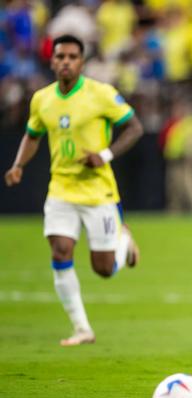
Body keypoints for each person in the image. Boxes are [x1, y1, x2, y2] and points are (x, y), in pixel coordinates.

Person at [4, 34, 144, 346]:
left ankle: (124, 243)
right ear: (52, 61)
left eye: (71, 57)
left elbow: (135, 127)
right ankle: (82, 329)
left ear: (81, 62)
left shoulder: (101, 94)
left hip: (98, 192)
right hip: (61, 189)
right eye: (60, 57)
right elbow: (32, 135)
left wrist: (104, 155)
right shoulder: (42, 99)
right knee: (60, 250)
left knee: (104, 269)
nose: (65, 62)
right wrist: (18, 165)